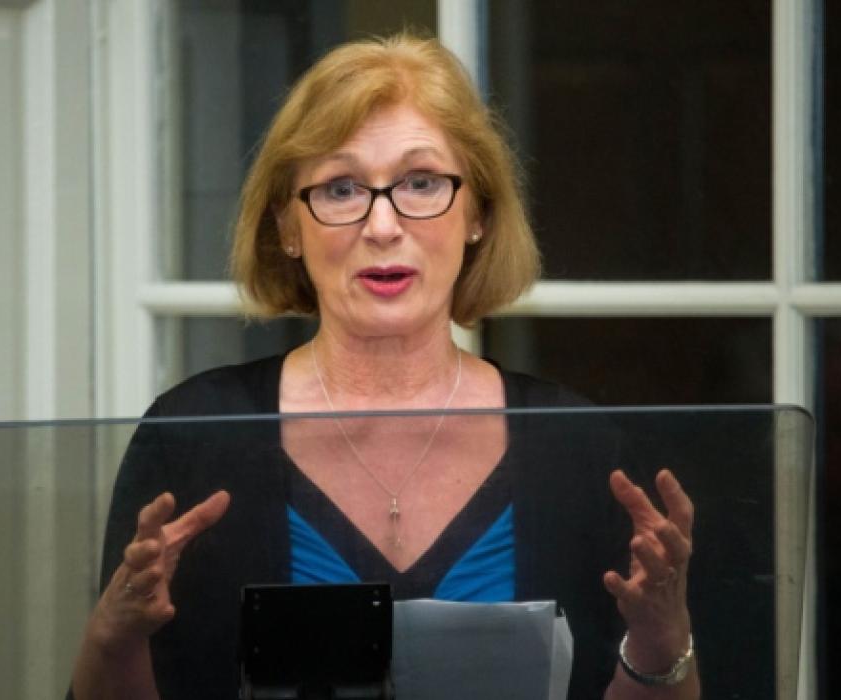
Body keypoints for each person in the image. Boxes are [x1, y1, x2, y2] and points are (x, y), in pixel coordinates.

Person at [71, 32, 698, 699]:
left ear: (478, 214)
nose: (381, 226)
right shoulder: (194, 438)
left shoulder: (577, 448)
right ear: (288, 227)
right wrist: (112, 639)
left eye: (421, 183)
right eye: (341, 188)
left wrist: (661, 643)